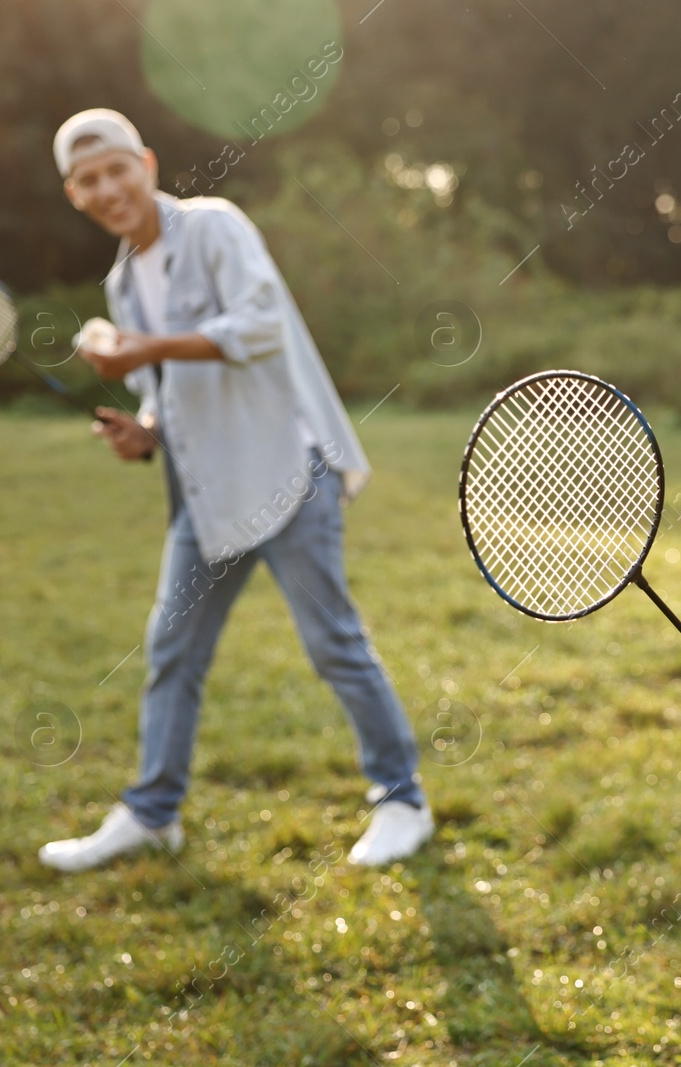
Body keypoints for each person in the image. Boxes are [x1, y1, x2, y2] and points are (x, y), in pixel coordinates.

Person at [37, 108, 433, 872]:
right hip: (207, 493)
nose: (109, 186)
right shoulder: (122, 282)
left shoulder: (214, 226)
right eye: (91, 179)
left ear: (147, 164)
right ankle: (153, 813)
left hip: (285, 468)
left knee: (334, 646)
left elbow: (258, 327)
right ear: (74, 195)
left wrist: (142, 351)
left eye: (118, 167)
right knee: (171, 651)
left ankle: (401, 799)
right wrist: (144, 432)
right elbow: (167, 390)